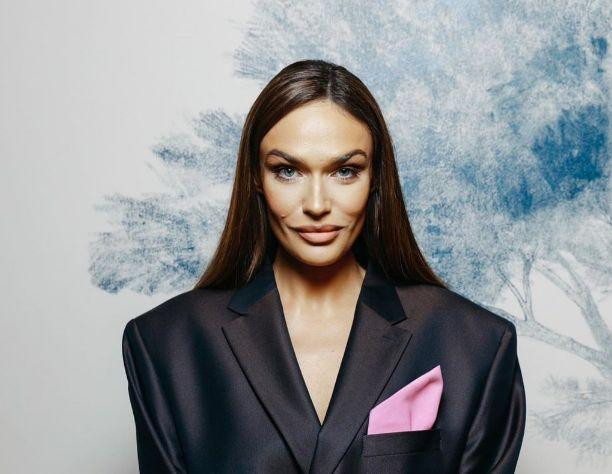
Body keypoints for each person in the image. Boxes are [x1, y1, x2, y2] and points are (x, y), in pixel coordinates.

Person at [121, 59, 526, 473]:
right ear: (256, 178)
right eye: (288, 171)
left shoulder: (474, 343)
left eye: (345, 171)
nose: (316, 204)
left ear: (375, 178)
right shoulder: (167, 343)